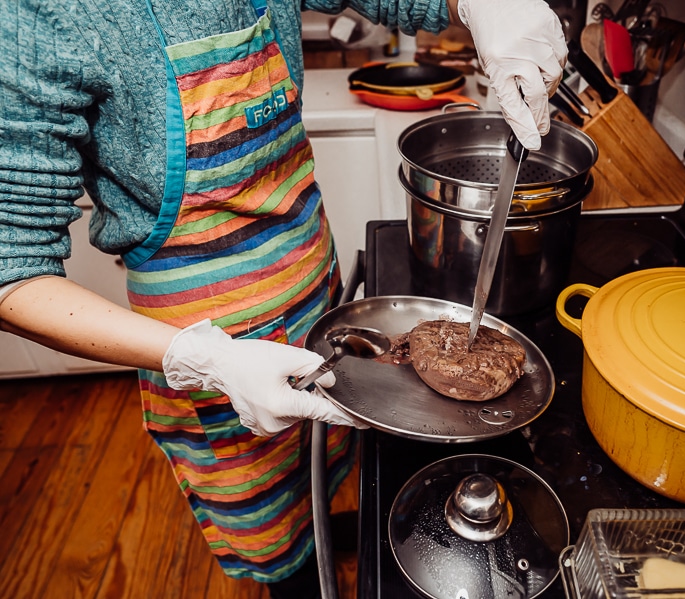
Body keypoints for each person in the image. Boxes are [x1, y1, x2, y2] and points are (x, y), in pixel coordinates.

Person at [0, 0, 567, 596]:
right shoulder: (45, 16)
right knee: (269, 514)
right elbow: (12, 270)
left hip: (311, 289)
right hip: (208, 346)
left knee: (322, 463)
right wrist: (210, 360)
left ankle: (323, 525)